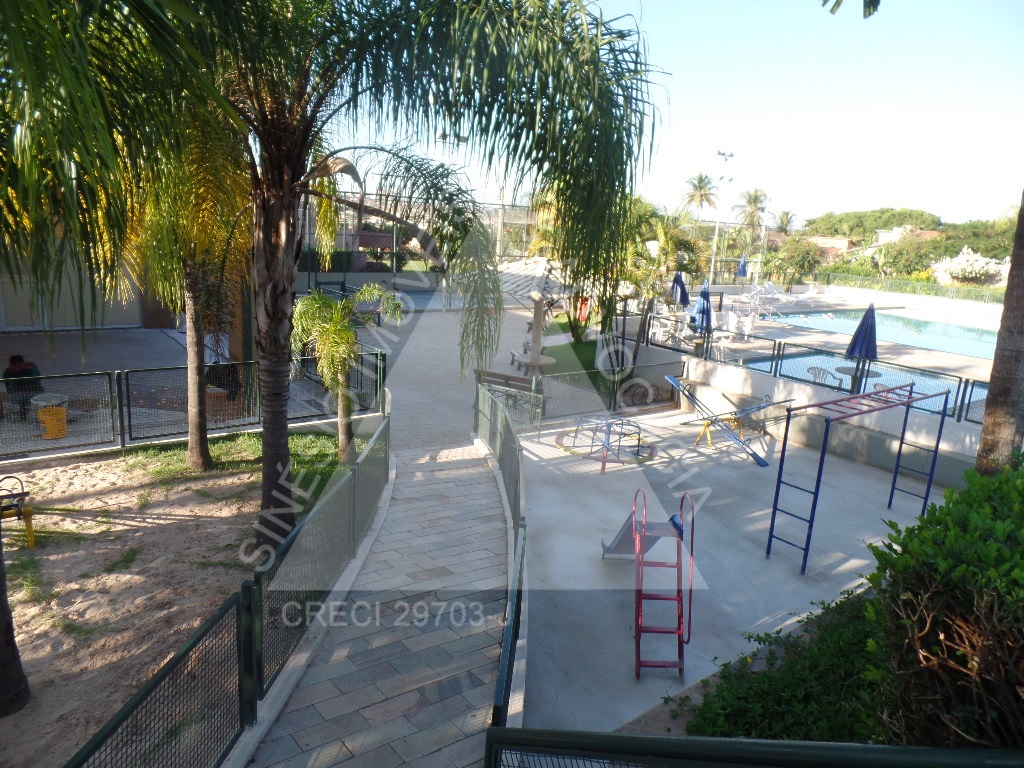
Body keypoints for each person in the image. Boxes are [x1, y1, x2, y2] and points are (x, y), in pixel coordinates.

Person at [3, 354, 44, 421]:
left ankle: (23, 416)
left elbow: (7, 384)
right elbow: (38, 377)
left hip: (18, 395)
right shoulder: (32, 365)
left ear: (11, 362)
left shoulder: (8, 370)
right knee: (27, 399)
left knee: (21, 400)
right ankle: (39, 415)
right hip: (36, 393)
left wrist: (10, 392)